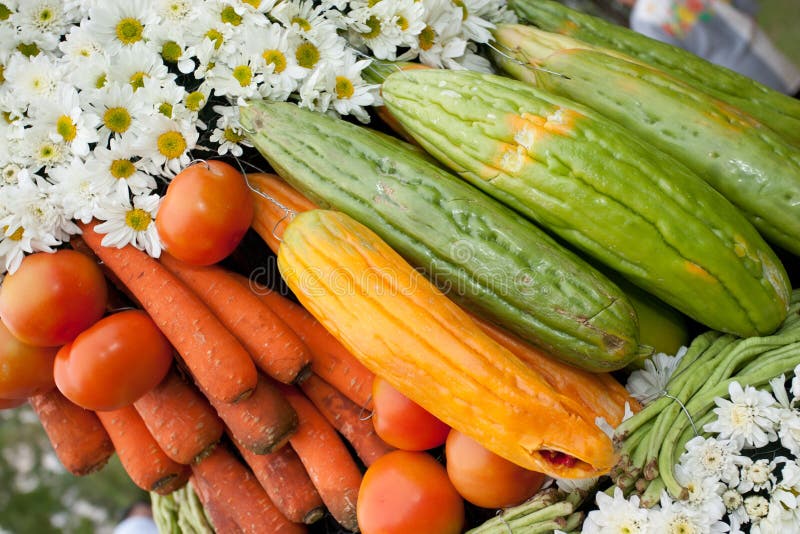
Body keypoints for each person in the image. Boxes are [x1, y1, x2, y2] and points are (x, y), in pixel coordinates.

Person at [620, 0, 800, 95]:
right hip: (762, 49)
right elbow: (744, 4)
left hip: (734, 78)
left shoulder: (645, 20)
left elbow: (672, 64)